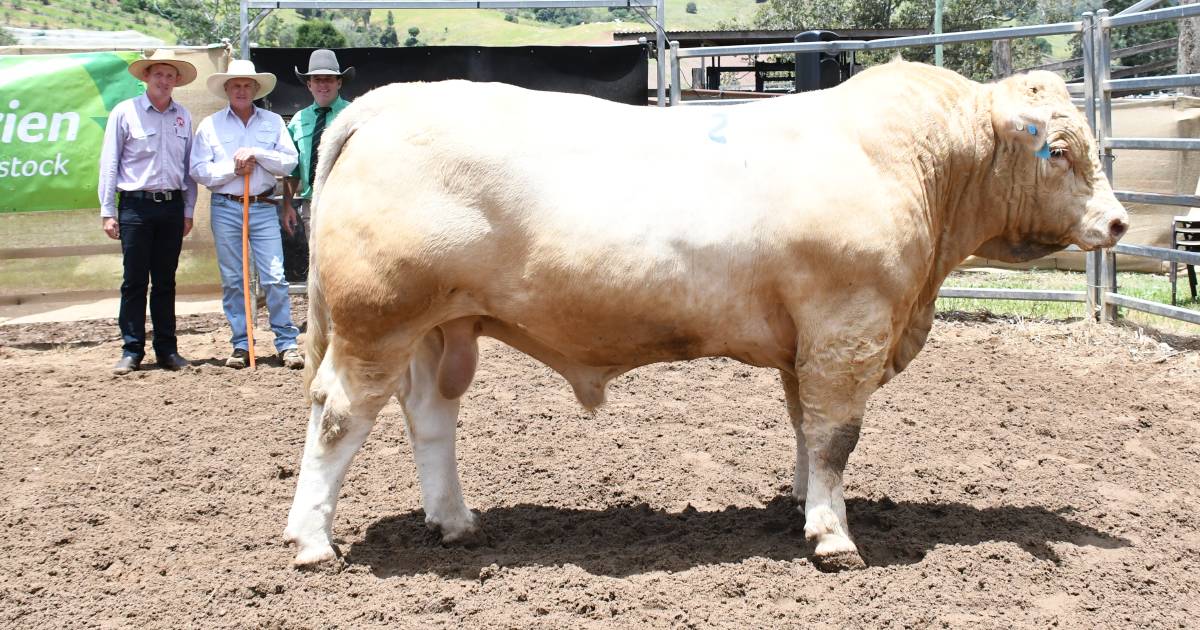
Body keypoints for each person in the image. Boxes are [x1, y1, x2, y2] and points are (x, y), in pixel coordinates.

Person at [189, 59, 304, 370]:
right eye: (235, 85)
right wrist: (234, 167)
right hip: (226, 206)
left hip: (264, 206)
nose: (241, 90)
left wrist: (257, 153)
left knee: (275, 277)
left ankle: (287, 343)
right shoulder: (210, 125)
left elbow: (288, 162)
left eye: (246, 85)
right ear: (227, 89)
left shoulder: (272, 122)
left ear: (255, 89)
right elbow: (199, 170)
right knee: (234, 280)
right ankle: (241, 343)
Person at [98, 49, 198, 375]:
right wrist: (107, 210)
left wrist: (188, 209)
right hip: (135, 206)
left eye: (171, 76)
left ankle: (168, 350)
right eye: (159, 74)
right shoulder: (125, 113)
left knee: (166, 281)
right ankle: (131, 350)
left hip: (171, 206)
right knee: (134, 281)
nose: (165, 81)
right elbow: (110, 163)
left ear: (177, 81)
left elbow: (189, 168)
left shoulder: (183, 115)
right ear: (146, 77)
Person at [282, 49, 355, 241]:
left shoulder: (354, 114)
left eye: (329, 79)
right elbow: (293, 169)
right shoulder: (299, 120)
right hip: (312, 203)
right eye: (317, 79)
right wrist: (287, 204)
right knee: (317, 261)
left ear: (339, 82)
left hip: (349, 201)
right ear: (309, 84)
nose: (323, 85)